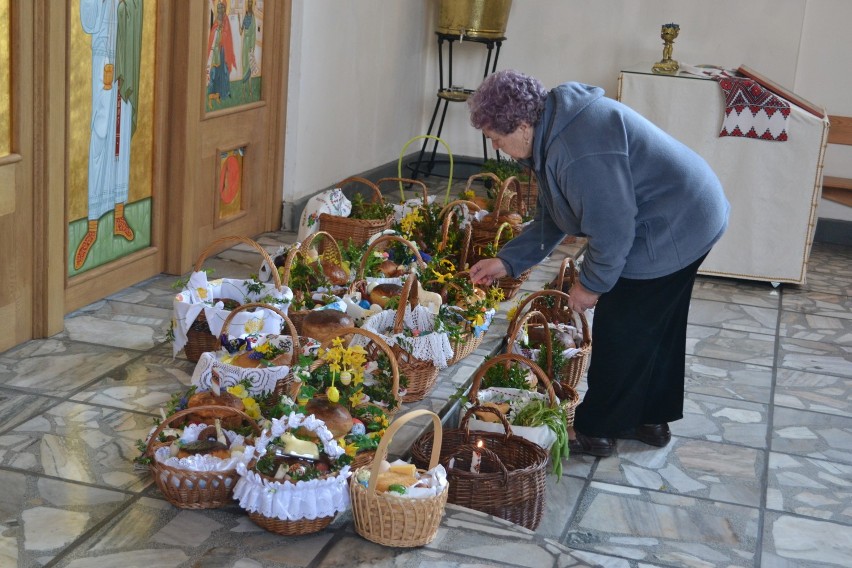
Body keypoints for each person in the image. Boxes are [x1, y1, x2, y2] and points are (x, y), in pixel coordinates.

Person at [467, 69, 730, 458]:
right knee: (654, 326)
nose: (496, 146)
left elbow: (613, 228)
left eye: (496, 138)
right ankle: (649, 420)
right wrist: (508, 261)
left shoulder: (577, 148)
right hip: (684, 212)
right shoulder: (554, 128)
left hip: (675, 222)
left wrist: (589, 284)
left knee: (622, 327)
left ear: (522, 125)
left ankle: (596, 431)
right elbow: (557, 213)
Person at [76, 0, 144, 271]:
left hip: (125, 60)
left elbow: (137, 8)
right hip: (104, 54)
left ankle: (118, 214)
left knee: (122, 136)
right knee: (101, 134)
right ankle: (92, 225)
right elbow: (89, 22)